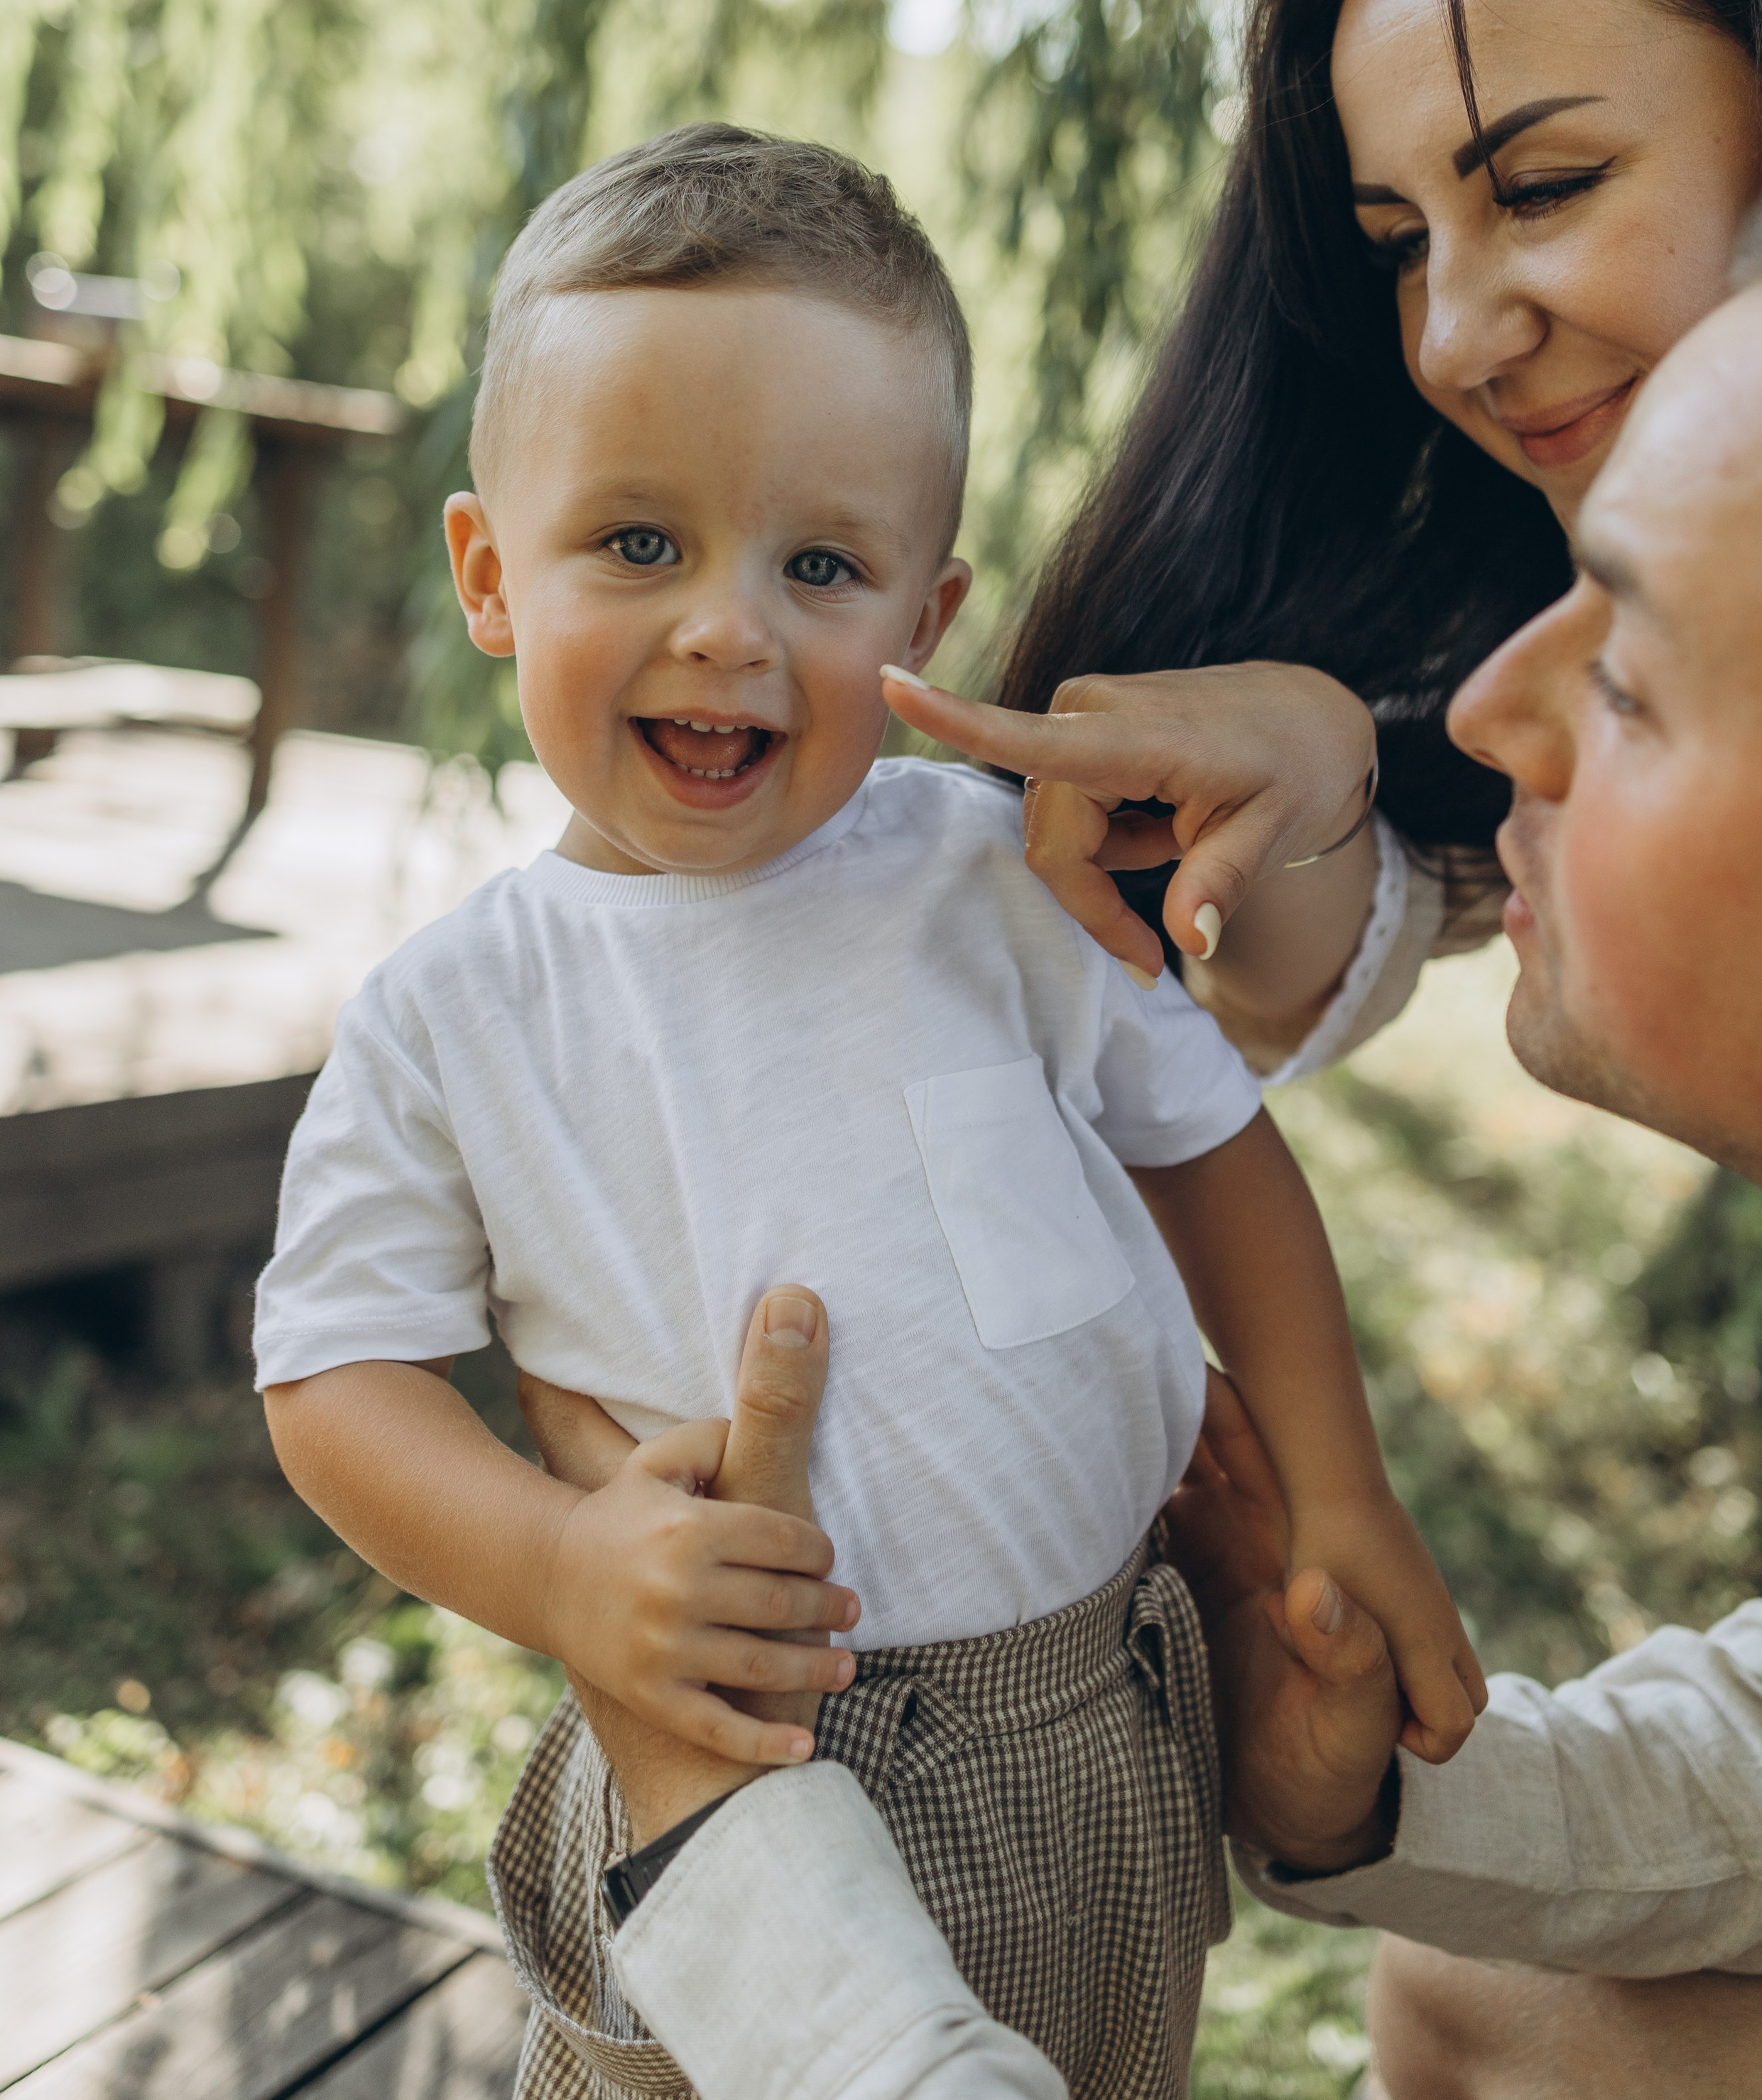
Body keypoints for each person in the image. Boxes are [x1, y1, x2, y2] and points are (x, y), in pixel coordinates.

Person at [519, 167, 1762, 2100]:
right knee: (1482, 2001)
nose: (1483, 704)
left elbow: (1209, 1148)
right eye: (1389, 236)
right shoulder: (507, 995)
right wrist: (1364, 1797)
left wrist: (723, 1838)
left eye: (1626, 666)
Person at [251, 123, 1479, 2099]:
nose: (729, 627)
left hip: (1100, 1715)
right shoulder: (460, 1012)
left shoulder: (992, 871)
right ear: (491, 571)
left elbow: (1215, 1154)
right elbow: (334, 1377)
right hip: (744, 1756)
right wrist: (563, 1569)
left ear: (925, 614)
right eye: (638, 542)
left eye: (819, 564)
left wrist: (1342, 1492)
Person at [880, 0, 1762, 1101]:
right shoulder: (1535, 634)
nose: (1448, 341)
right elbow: (1325, 940)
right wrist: (1313, 773)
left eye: (1542, 187)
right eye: (1395, 245)